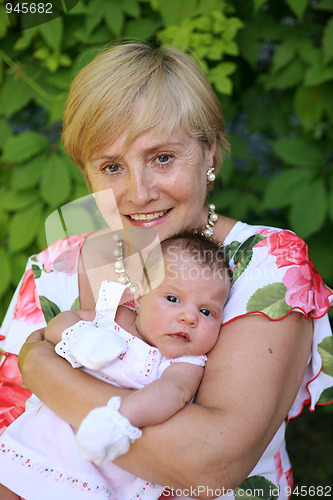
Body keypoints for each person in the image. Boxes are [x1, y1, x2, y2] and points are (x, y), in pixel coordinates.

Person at [0, 41, 332, 500]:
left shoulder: (263, 262)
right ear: (87, 176)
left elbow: (210, 463)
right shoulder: (54, 267)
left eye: (162, 158)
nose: (139, 192)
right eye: (112, 166)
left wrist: (43, 370)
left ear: (210, 154)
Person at [0, 232, 230, 500]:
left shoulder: (185, 363)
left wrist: (121, 418)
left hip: (105, 463)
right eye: (173, 299)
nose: (189, 317)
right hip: (47, 435)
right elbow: (59, 323)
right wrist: (78, 336)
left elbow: (173, 392)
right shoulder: (113, 316)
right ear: (141, 297)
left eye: (206, 312)